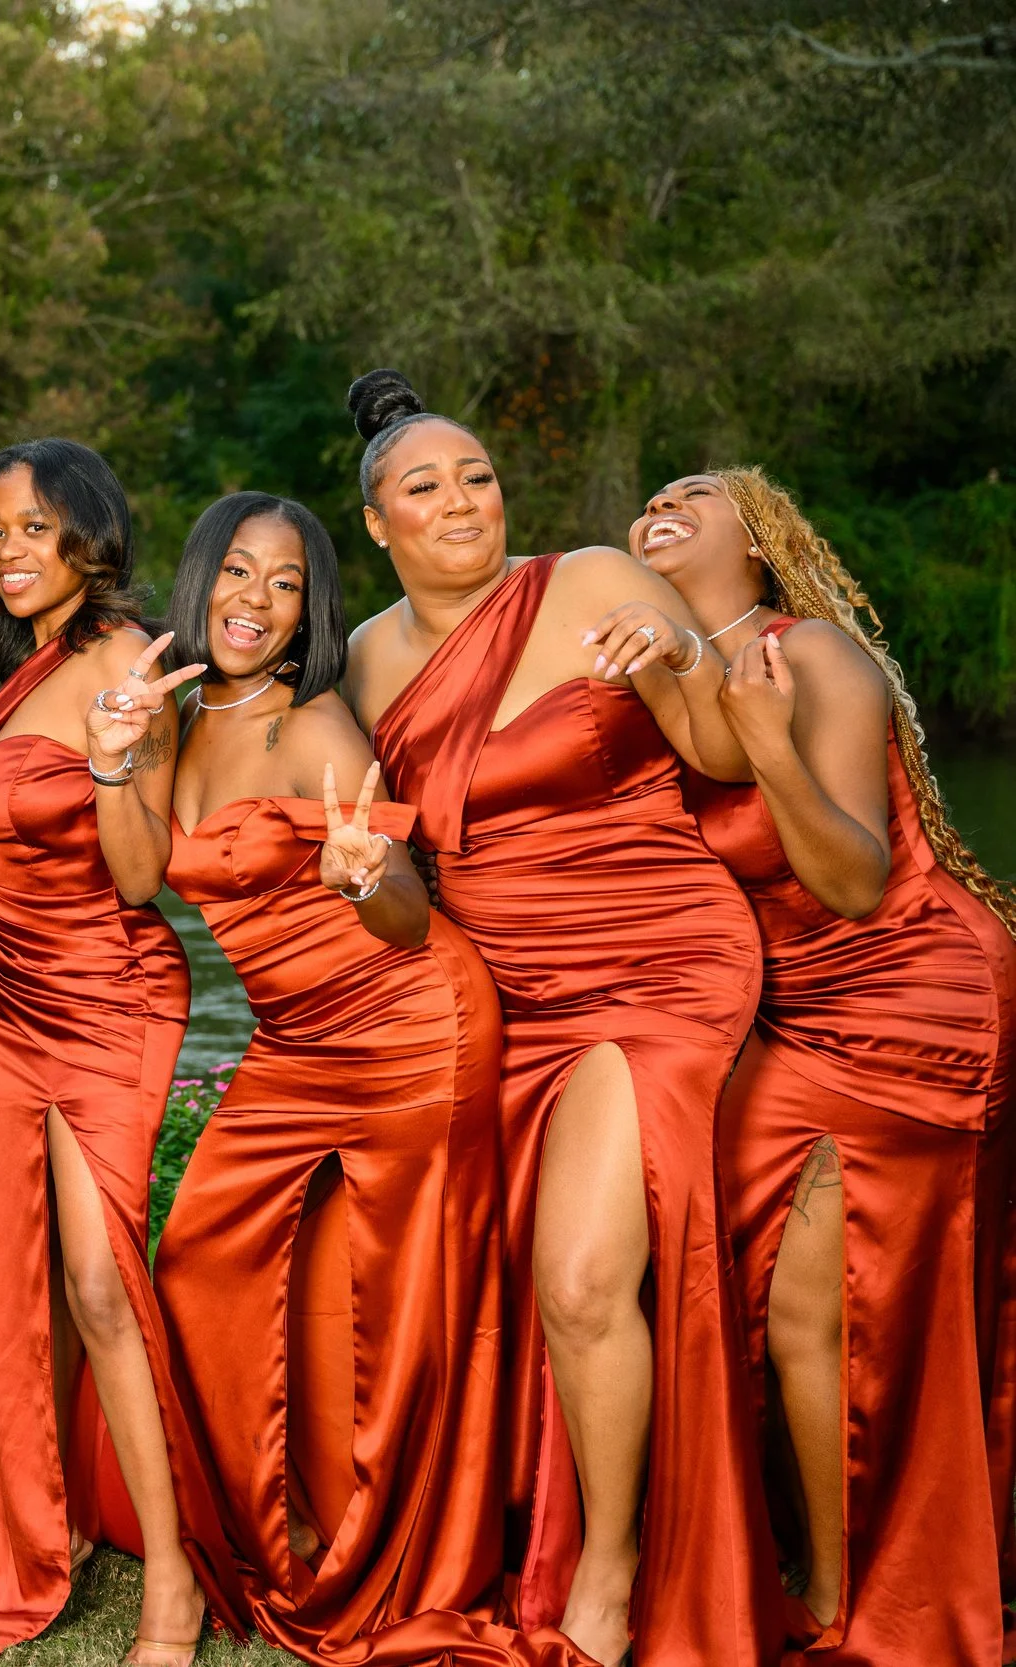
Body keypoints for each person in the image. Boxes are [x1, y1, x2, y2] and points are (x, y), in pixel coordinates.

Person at [342, 370, 781, 1666]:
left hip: (661, 959)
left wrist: (684, 656)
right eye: (425, 486)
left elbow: (725, 755)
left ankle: (610, 1570)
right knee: (497, 1268)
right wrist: (366, 883)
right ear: (376, 521)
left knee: (584, 1279)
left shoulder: (591, 579)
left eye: (477, 476)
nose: (461, 501)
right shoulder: (361, 659)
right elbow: (389, 876)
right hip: (507, 995)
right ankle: (505, 1522)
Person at [149, 492, 540, 1666]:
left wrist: (367, 872)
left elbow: (409, 914)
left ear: (308, 609)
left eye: (286, 584)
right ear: (200, 577)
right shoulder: (171, 715)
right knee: (200, 1255)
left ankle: (405, 1556)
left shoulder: (315, 724)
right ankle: (270, 1521)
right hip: (291, 1039)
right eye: (238, 571)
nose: (256, 601)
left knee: (405, 1299)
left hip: (411, 1023)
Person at [634, 467, 1016, 1666]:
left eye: (695, 491)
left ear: (759, 541)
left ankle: (847, 1591)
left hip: (909, 984)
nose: (661, 501)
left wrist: (767, 746)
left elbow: (852, 880)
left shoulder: (814, 656)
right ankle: (802, 1553)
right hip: (789, 1010)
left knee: (833, 1294)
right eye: (650, 497)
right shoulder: (668, 672)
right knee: (749, 1267)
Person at [0, 439, 210, 1664]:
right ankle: (54, 1509)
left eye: (34, 526)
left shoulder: (130, 665)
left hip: (106, 990)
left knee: (97, 1279)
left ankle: (175, 1576)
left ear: (91, 534)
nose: (8, 549)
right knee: (28, 1269)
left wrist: (117, 756)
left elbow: (140, 876)